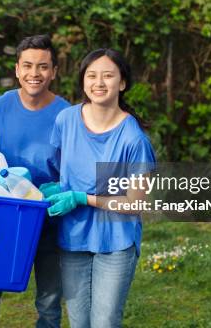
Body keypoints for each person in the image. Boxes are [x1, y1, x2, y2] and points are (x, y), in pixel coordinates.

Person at [46, 48, 156, 328]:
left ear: (122, 83)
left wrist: (83, 197)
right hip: (73, 236)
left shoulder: (134, 140)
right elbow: (58, 166)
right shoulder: (66, 121)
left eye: (108, 76)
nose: (99, 82)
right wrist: (58, 187)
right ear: (83, 82)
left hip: (116, 240)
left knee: (104, 322)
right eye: (91, 75)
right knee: (79, 321)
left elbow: (135, 203)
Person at [0, 34, 70, 328]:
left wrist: (60, 188)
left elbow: (73, 161)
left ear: (53, 71)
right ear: (17, 69)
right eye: (27, 66)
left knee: (49, 302)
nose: (34, 74)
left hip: (47, 217)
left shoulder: (66, 114)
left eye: (42, 67)